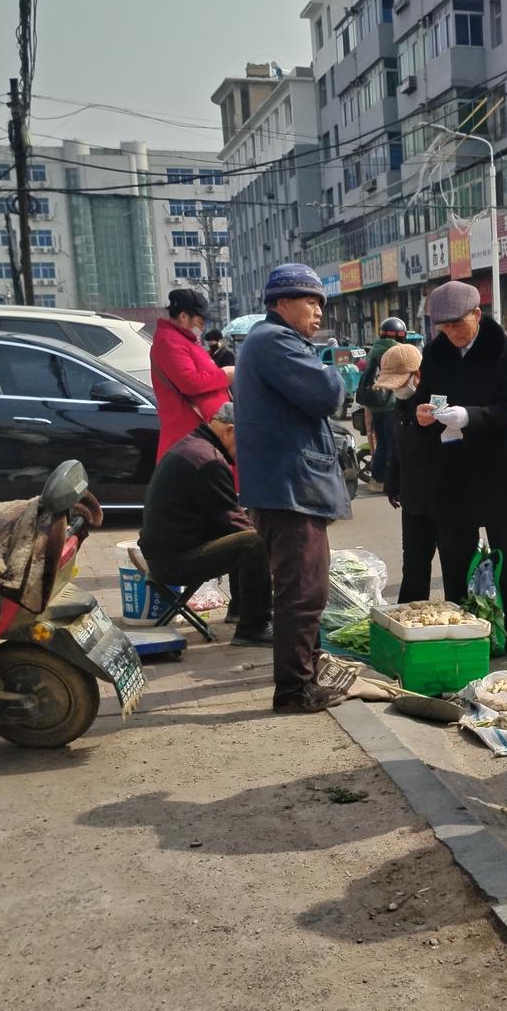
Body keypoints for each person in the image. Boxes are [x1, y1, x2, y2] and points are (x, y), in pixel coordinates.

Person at [234, 263, 352, 714]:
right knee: (303, 593)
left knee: (303, 589)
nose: (318, 310)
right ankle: (294, 691)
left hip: (286, 485)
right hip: (290, 488)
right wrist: (333, 372)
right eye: (309, 300)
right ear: (280, 303)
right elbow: (327, 395)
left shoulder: (271, 342)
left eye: (321, 301)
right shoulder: (276, 342)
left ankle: (303, 677)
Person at [414, 281, 507, 657]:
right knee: (455, 555)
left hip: (499, 469)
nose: (450, 333)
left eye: (456, 324)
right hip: (452, 471)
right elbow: (424, 398)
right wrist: (420, 412)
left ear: (477, 315)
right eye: (442, 327)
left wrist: (471, 416)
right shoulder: (434, 354)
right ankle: (465, 626)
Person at [138, 402, 272, 647]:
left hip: (168, 551)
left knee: (245, 531)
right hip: (173, 563)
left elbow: (226, 516)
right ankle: (254, 628)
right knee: (253, 542)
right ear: (229, 431)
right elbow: (233, 524)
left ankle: (241, 610)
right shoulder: (208, 460)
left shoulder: (195, 446)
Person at [379, 342, 439, 602]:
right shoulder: (401, 405)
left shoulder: (436, 401)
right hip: (413, 498)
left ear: (418, 375)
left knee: (453, 564)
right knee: (414, 563)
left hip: (442, 496)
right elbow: (398, 447)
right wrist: (392, 482)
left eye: (401, 382)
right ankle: (410, 614)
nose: (398, 390)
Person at [149, 288, 232, 459]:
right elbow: (190, 383)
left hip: (205, 436)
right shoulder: (169, 341)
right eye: (201, 322)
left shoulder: (184, 340)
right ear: (184, 317)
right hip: (190, 438)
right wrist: (225, 375)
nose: (203, 328)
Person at [356, 315, 409, 492]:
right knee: (394, 444)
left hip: (374, 405)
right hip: (391, 405)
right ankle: (393, 482)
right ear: (401, 335)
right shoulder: (399, 351)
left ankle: (376, 480)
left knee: (383, 444)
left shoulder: (373, 350)